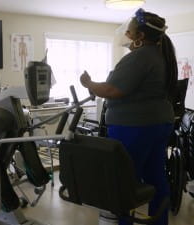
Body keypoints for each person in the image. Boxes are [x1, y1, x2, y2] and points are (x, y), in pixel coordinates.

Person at [80, 9, 177, 225]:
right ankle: (159, 221)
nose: (127, 31)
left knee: (125, 180)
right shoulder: (158, 56)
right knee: (155, 175)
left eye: (130, 28)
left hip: (135, 126)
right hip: (158, 123)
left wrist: (89, 83)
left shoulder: (140, 57)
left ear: (140, 36)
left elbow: (113, 90)